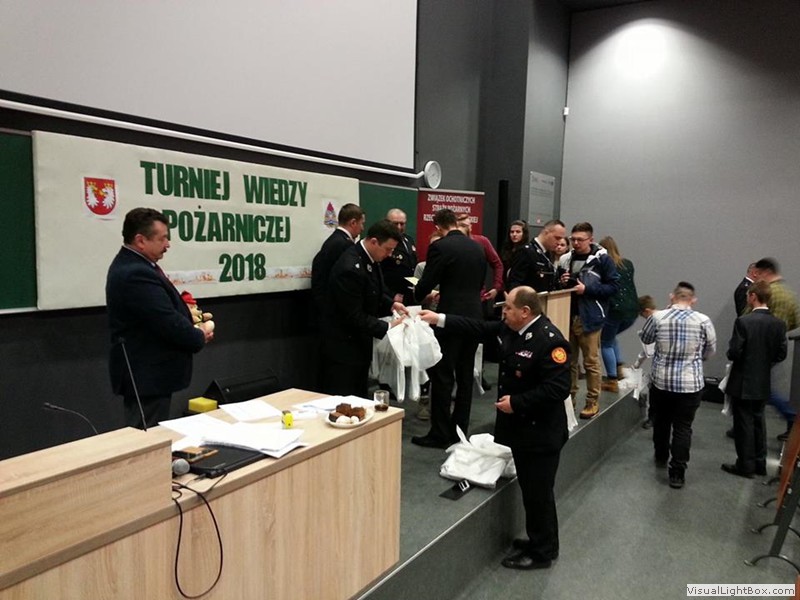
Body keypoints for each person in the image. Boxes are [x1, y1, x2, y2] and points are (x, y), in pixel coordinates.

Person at [419, 286, 570, 570]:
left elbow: (558, 389)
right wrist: (438, 319)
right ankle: (540, 540)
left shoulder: (549, 341)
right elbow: (477, 327)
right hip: (525, 432)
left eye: (508, 307)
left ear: (525, 311)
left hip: (541, 434)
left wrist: (517, 403)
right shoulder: (513, 329)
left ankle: (542, 552)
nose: (503, 312)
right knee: (532, 490)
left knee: (539, 493)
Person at [106, 207, 213, 429]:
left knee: (153, 435)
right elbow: (165, 320)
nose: (168, 244)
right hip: (146, 377)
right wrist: (198, 336)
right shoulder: (135, 273)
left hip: (152, 376)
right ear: (140, 240)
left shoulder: (139, 266)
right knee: (146, 439)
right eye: (162, 238)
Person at [411, 208, 486, 448]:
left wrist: (417, 293)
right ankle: (459, 429)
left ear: (438, 227)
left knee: (442, 375)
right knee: (465, 375)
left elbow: (428, 281)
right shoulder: (477, 247)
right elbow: (478, 282)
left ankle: (440, 432)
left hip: (449, 317)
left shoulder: (440, 247)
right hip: (474, 316)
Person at [640, 281, 716, 489]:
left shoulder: (657, 317)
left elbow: (646, 338)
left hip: (662, 381)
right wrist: (696, 359)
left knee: (661, 421)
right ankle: (677, 473)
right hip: (690, 384)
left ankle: (661, 456)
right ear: (693, 300)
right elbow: (710, 350)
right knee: (683, 427)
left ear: (671, 296)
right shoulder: (703, 320)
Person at [320, 220, 407, 399]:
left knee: (360, 396)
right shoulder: (350, 267)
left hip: (360, 343)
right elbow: (353, 315)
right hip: (344, 346)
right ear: (374, 242)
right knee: (345, 399)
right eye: (388, 249)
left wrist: (391, 304)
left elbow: (373, 290)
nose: (390, 254)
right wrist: (388, 327)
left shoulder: (370, 258)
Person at [721, 281, 787, 478]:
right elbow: (781, 354)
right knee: (759, 421)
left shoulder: (744, 322)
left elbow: (734, 352)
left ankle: (745, 465)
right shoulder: (779, 324)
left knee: (744, 424)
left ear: (753, 296)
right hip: (763, 381)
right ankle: (760, 463)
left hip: (743, 380)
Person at [558, 222, 619, 419]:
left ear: (590, 240)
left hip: (591, 317)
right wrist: (562, 281)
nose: (575, 243)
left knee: (591, 362)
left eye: (580, 240)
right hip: (567, 315)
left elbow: (613, 287)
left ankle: (592, 402)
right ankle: (569, 401)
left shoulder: (603, 260)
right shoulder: (566, 259)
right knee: (568, 362)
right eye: (573, 239)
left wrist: (587, 289)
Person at [748, 257, 800, 441]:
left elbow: (750, 318)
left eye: (758, 274)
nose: (756, 278)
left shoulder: (768, 292)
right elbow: (795, 320)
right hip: (777, 346)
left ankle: (791, 416)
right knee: (763, 388)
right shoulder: (789, 294)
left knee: (760, 389)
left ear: (766, 272)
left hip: (760, 348)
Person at [598, 236, 639, 393]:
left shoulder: (604, 265)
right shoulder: (627, 264)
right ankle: (619, 368)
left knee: (605, 342)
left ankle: (612, 380)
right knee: (611, 337)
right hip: (632, 310)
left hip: (614, 309)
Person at [310, 203, 365, 314]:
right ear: (353, 223)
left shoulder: (334, 240)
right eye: (362, 224)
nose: (362, 228)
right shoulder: (344, 244)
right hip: (333, 308)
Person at [506, 219, 567, 292]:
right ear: (546, 233)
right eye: (557, 238)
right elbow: (514, 283)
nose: (559, 242)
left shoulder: (547, 253)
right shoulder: (526, 252)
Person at [456, 212, 503, 305]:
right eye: (461, 225)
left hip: (478, 297)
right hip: (456, 297)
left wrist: (496, 287)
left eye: (466, 225)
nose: (463, 229)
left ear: (470, 227)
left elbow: (497, 264)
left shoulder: (481, 241)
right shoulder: (451, 243)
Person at [381, 208, 417, 306]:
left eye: (402, 224)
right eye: (395, 224)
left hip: (409, 296)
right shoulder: (383, 242)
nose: (399, 227)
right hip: (390, 298)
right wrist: (391, 295)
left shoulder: (409, 240)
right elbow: (377, 275)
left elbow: (411, 268)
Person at [632, 295, 657, 429]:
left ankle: (652, 419)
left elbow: (647, 350)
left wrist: (636, 365)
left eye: (642, 314)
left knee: (655, 392)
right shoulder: (667, 317)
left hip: (660, 368)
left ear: (646, 311)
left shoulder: (653, 321)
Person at [500, 220, 529, 290]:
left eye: (518, 232)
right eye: (512, 232)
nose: (514, 234)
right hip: (505, 286)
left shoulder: (527, 251)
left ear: (524, 234)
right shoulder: (506, 250)